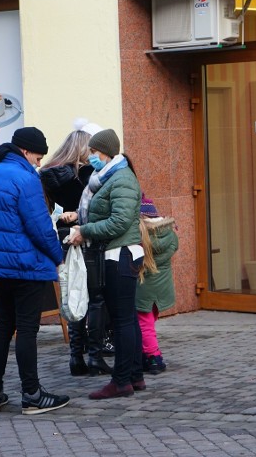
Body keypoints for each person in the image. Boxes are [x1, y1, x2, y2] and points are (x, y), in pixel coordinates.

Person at [0, 126, 70, 415]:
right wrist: (57, 254)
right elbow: (39, 226)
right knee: (26, 329)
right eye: (38, 156)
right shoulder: (26, 179)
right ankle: (32, 394)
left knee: (1, 327)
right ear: (25, 151)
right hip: (26, 267)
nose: (39, 162)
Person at [69, 128, 145, 399]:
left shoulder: (121, 179)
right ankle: (134, 375)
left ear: (106, 152)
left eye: (93, 151)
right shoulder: (111, 177)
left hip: (120, 255)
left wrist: (85, 231)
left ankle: (121, 381)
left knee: (123, 320)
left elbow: (120, 222)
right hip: (116, 254)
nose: (91, 157)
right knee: (127, 319)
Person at [39, 118, 114, 378]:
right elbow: (97, 211)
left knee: (73, 296)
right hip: (88, 240)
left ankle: (75, 357)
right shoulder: (89, 176)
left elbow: (45, 213)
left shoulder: (48, 174)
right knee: (94, 298)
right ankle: (94, 355)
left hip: (63, 242)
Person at [135, 195, 178, 375]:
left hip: (144, 289)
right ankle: (149, 353)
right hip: (162, 288)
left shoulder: (141, 238)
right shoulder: (170, 234)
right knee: (149, 322)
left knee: (144, 324)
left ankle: (154, 358)